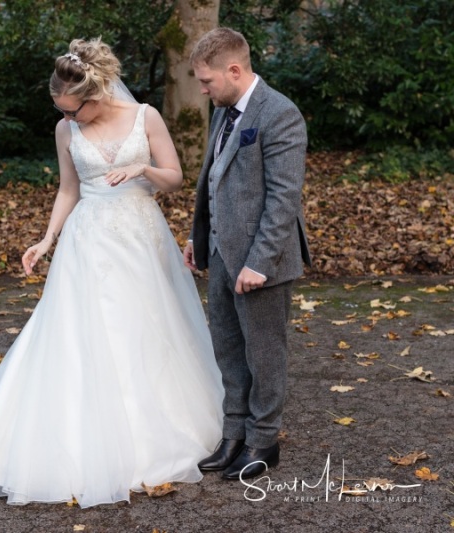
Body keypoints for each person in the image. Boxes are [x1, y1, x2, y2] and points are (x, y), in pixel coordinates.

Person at [0, 38, 223, 508]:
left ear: (95, 95)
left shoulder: (144, 116)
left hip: (140, 238)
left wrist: (140, 168)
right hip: (87, 242)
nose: (69, 119)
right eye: (63, 111)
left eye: (75, 111)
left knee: (147, 329)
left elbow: (175, 176)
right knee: (83, 334)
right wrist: (46, 240)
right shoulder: (65, 131)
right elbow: (68, 190)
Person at [182, 28, 312, 480]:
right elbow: (215, 179)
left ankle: (263, 440)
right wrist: (199, 236)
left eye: (206, 81)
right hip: (220, 253)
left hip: (262, 263)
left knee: (264, 352)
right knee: (228, 350)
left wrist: (259, 261)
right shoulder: (224, 111)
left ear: (234, 70)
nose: (202, 89)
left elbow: (283, 198)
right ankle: (233, 435)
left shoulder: (280, 114)